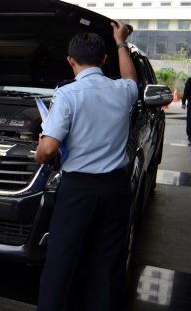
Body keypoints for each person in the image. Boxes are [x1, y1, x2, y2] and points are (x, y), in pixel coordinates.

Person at [35, 21, 138, 311]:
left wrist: (40, 150)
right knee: (107, 267)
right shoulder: (122, 90)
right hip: (116, 188)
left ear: (70, 60)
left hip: (78, 190)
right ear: (104, 60)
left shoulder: (67, 94)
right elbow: (131, 76)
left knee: (61, 266)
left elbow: (50, 149)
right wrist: (121, 41)